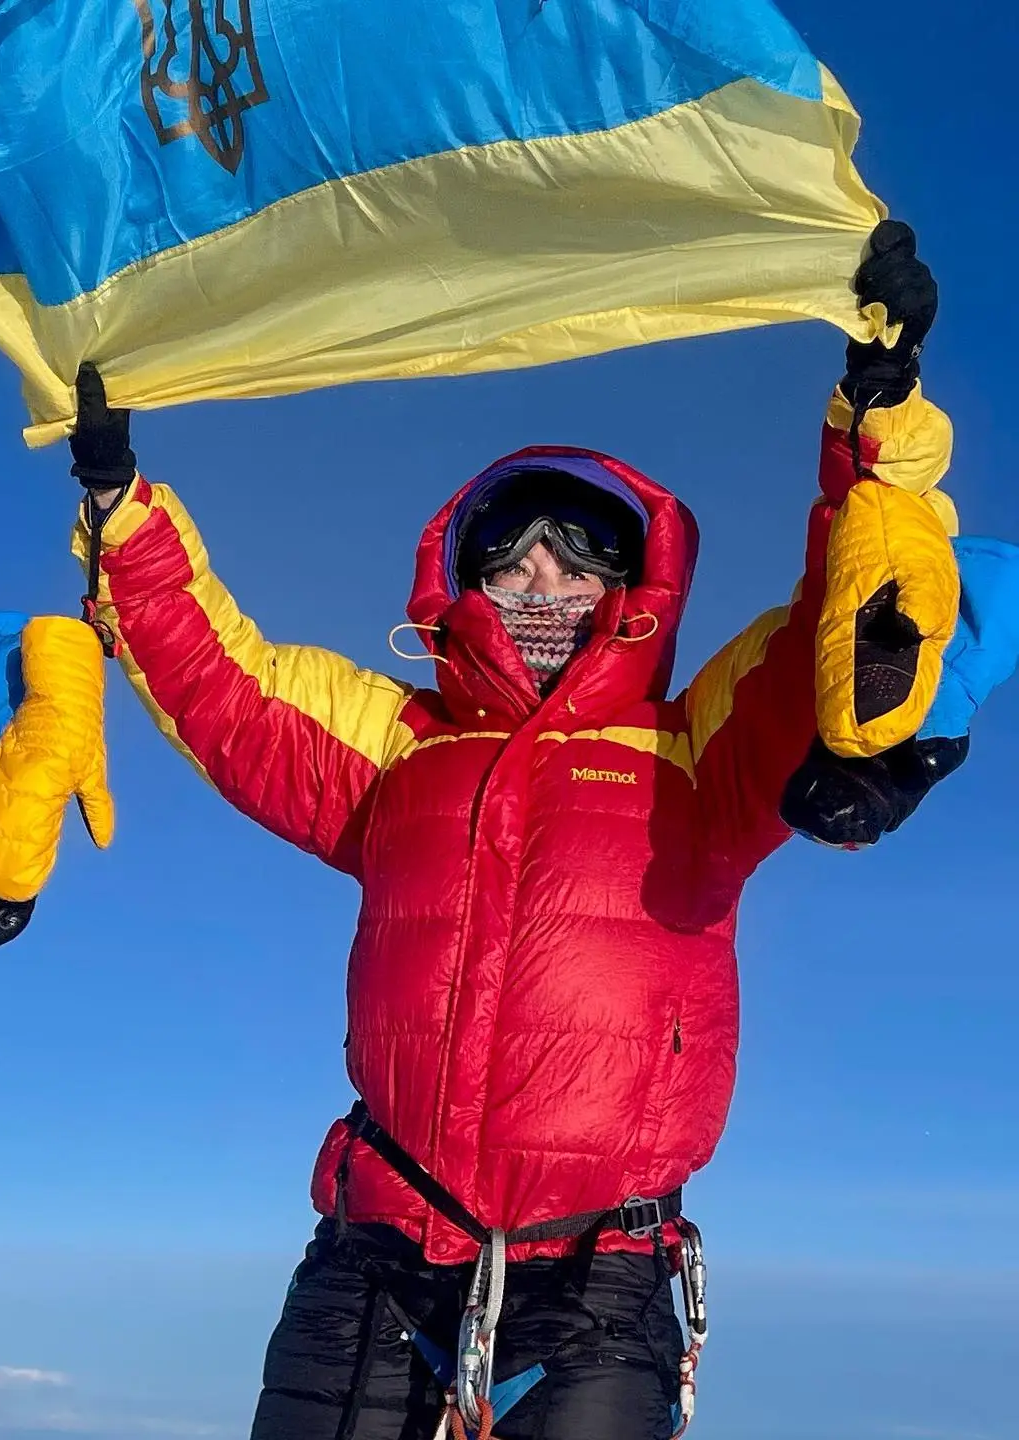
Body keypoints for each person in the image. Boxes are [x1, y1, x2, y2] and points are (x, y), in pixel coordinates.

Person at [64, 224, 951, 1440]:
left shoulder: (699, 750)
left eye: (579, 563)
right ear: (459, 586)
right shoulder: (400, 747)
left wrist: (872, 416)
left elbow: (842, 621)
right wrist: (121, 513)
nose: (541, 589)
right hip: (373, 1257)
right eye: (511, 564)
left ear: (635, 592)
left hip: (595, 1282)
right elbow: (232, 693)